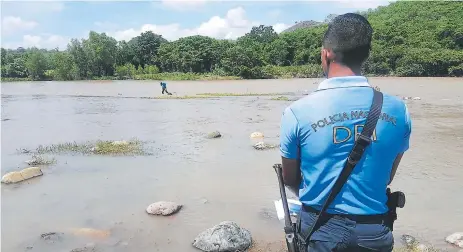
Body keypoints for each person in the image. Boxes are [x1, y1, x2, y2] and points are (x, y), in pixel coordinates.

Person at [279, 13, 411, 252]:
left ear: (326, 53)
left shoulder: (297, 112)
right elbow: (387, 176)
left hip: (320, 231)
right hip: (374, 232)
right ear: (366, 55)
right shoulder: (399, 111)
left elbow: (290, 180)